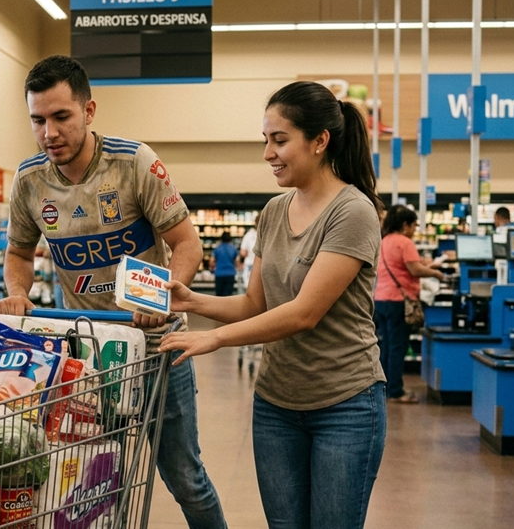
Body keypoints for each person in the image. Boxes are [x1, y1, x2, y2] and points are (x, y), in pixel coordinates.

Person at [0, 55, 227, 529]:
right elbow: (18, 252)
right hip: (89, 356)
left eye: (62, 116)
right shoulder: (29, 180)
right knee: (95, 478)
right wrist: (17, 292)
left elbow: (187, 244)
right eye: (38, 120)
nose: (49, 133)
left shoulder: (133, 162)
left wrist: (159, 297)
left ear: (89, 110)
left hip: (158, 347)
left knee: (184, 476)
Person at [158, 81, 387, 529]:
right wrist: (193, 300)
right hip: (276, 406)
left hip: (345, 405)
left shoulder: (352, 211)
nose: (268, 153)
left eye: (280, 140)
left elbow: (304, 312)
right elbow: (253, 304)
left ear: (320, 141)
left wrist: (214, 338)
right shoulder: (273, 212)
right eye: (266, 140)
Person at [375, 205, 445, 404]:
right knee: (398, 347)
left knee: (386, 346)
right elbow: (414, 270)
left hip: (381, 299)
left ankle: (385, 388)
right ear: (405, 225)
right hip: (399, 301)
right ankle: (396, 391)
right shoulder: (404, 243)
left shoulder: (384, 241)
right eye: (414, 225)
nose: (415, 229)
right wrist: (436, 273)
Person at [211, 231, 237, 296]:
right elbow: (237, 261)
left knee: (219, 296)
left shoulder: (217, 248)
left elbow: (211, 261)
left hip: (219, 274)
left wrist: (212, 269)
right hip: (230, 274)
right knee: (228, 296)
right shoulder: (233, 248)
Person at [239, 214, 259, 288]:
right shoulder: (269, 235)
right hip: (264, 268)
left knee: (250, 289)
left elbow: (243, 253)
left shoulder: (249, 235)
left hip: (250, 266)